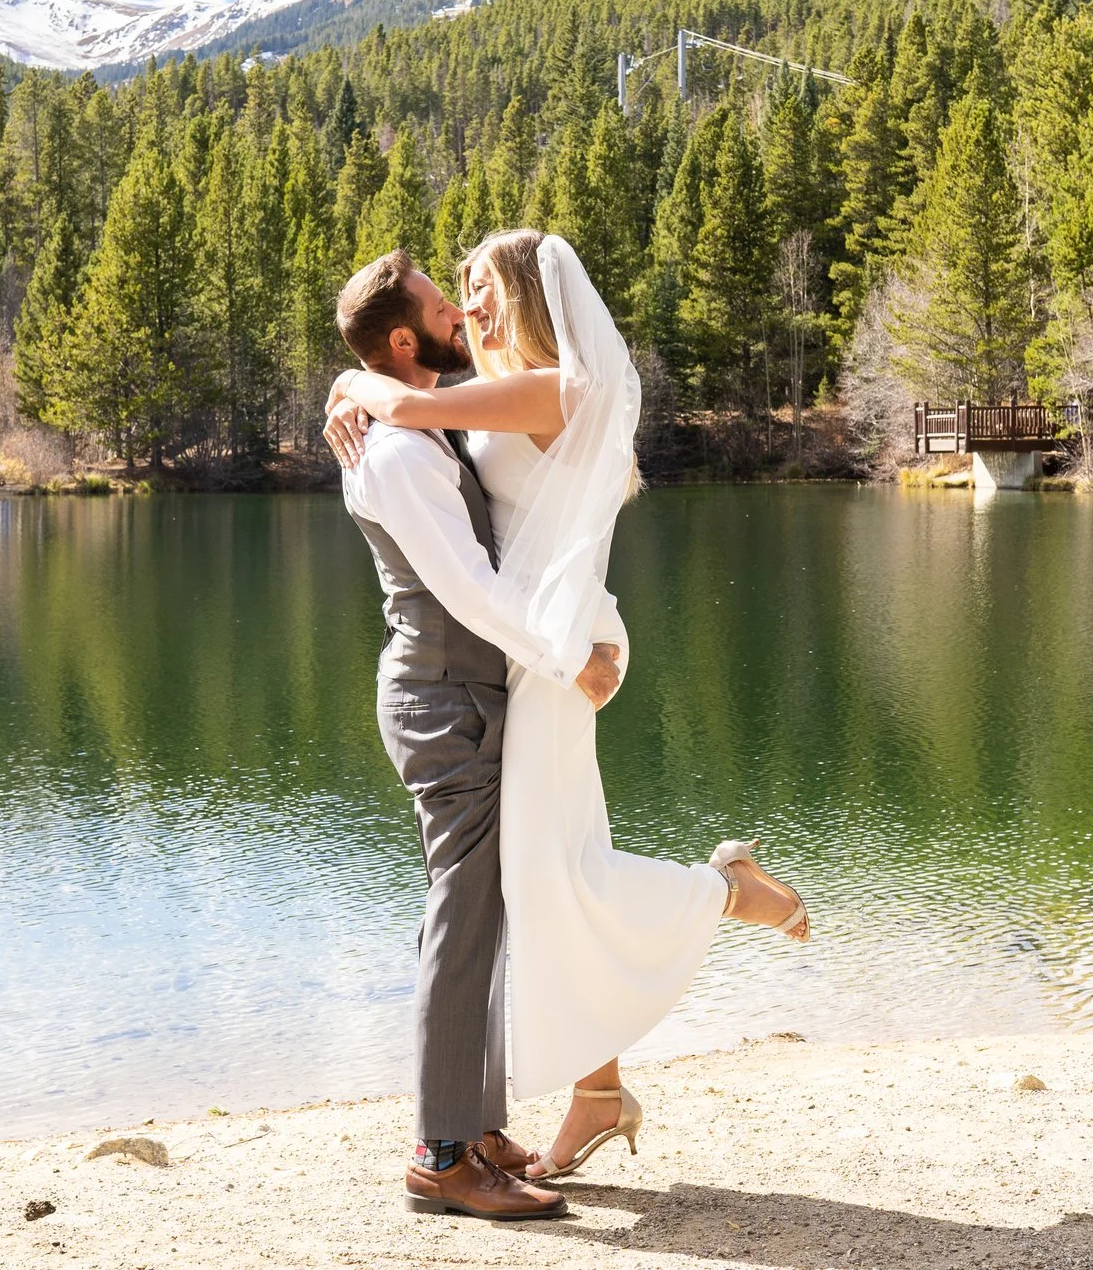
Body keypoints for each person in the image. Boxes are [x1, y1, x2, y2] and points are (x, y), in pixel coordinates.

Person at [327, 229, 809, 1185]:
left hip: (553, 650)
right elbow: (411, 400)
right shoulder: (476, 399)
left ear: (520, 294)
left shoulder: (554, 389)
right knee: (550, 871)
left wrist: (367, 388)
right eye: (447, 297)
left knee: (553, 873)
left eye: (475, 287)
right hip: (537, 647)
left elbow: (408, 394)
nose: (464, 306)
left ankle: (725, 889)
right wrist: (356, 388)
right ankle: (595, 1088)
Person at [333, 249, 624, 1221]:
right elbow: (466, 587)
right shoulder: (399, 452)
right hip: (442, 694)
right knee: (461, 918)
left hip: (471, 688)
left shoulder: (427, 419)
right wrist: (563, 656)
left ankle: (479, 1124)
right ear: (407, 338)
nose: (463, 313)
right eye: (441, 306)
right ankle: (440, 1151)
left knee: (483, 910)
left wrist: (350, 379)